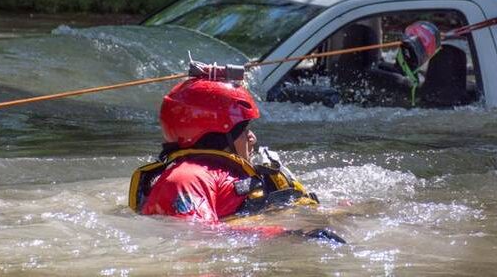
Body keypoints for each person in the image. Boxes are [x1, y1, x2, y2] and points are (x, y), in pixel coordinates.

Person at [129, 76, 344, 242]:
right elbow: (194, 235)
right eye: (244, 131)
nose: (253, 138)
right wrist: (287, 235)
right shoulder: (186, 178)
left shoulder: (228, 173)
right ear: (215, 134)